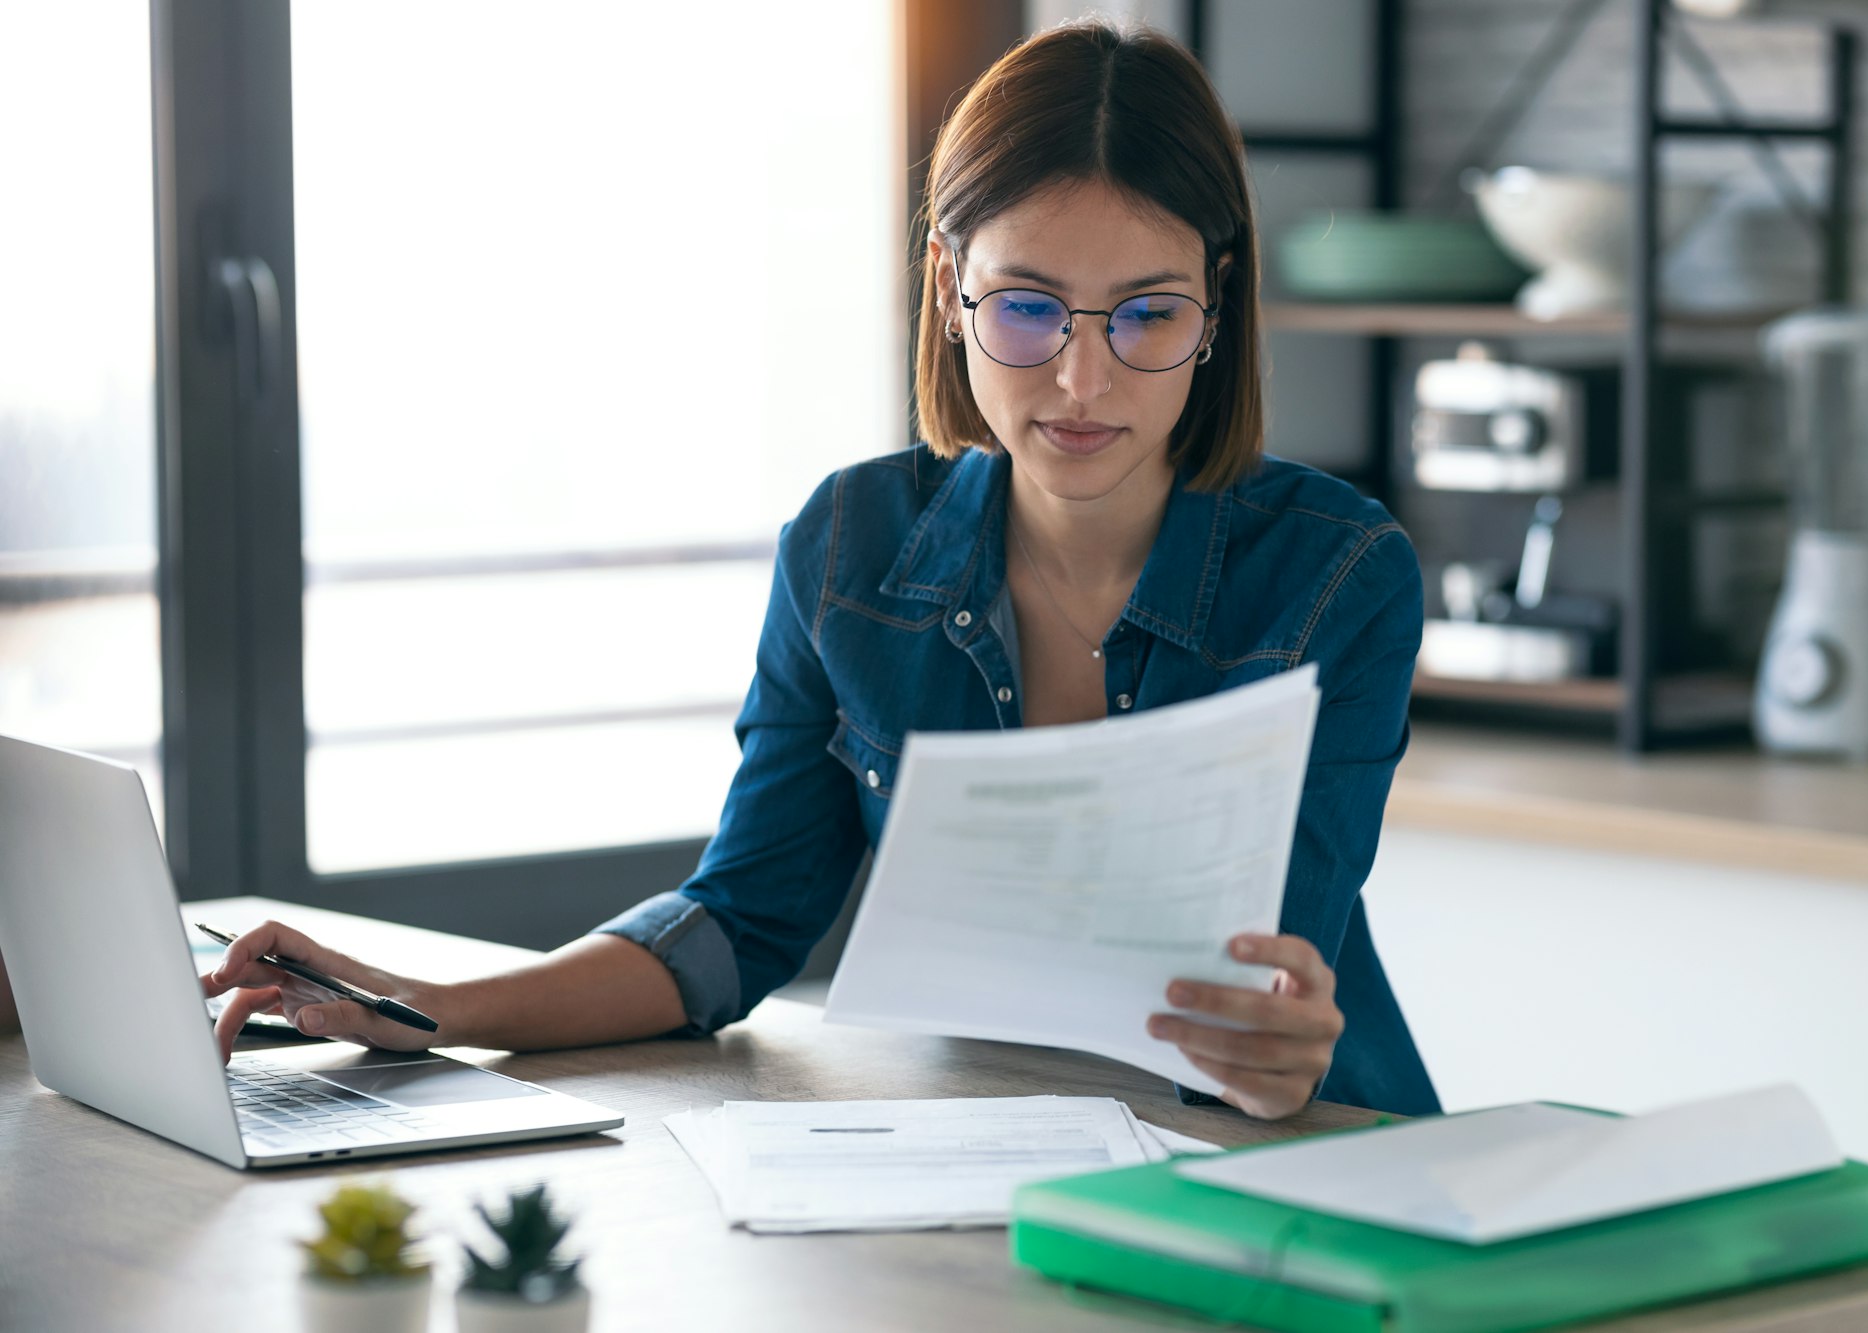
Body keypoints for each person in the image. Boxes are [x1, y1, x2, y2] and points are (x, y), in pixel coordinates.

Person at [202, 20, 1440, 1121]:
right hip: (984, 1156)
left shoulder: (1337, 575)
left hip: (1297, 1149)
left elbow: (1274, 981)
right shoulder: (849, 546)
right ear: (949, 288)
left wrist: (1273, 1053)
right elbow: (736, 926)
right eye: (1025, 307)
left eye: (1146, 313)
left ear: (1214, 307)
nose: (1081, 379)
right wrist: (429, 1005)